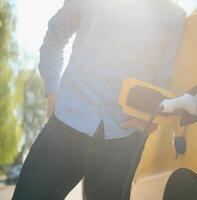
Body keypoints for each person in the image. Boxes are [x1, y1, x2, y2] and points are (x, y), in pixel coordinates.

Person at [12, 0, 186, 199]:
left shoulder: (174, 17)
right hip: (67, 122)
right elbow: (55, 36)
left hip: (122, 139)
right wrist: (51, 91)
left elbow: (163, 80)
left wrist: (147, 123)